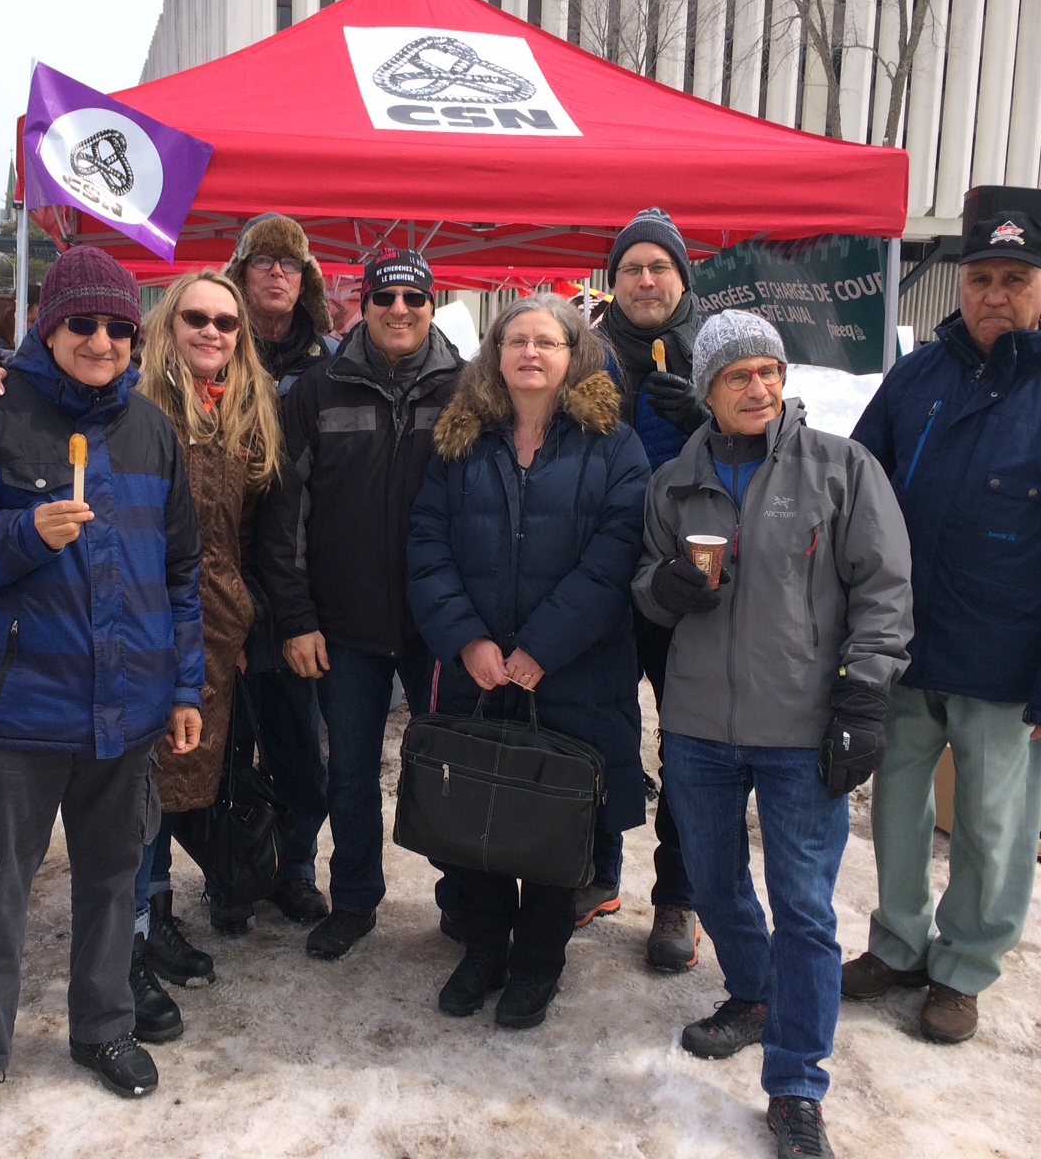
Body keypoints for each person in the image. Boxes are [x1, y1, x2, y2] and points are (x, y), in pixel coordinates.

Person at [0, 245, 205, 1129]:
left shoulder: (151, 428)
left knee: (114, 880)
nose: (102, 340)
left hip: (130, 711)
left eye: (118, 325)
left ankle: (101, 1027)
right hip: (18, 710)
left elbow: (181, 575)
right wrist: (23, 534)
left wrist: (184, 689)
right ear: (48, 324)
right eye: (83, 323)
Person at [844, 213, 1041, 1045]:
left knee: (990, 826)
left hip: (1009, 664)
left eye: (1015, 281)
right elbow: (858, 500)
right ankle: (900, 945)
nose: (995, 295)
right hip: (905, 652)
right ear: (961, 287)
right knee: (897, 810)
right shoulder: (918, 377)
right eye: (980, 279)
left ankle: (964, 968)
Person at [634, 309, 912, 1159]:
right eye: (738, 376)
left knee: (804, 909)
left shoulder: (843, 469)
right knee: (714, 885)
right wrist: (670, 588)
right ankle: (753, 994)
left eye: (770, 372)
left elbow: (884, 591)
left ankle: (796, 1083)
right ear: (710, 391)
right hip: (697, 727)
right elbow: (643, 587)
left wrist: (863, 700)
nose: (759, 388)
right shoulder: (674, 481)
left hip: (800, 728)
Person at [408, 293, 650, 1028]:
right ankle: (482, 949)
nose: (531, 354)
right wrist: (468, 641)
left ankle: (538, 963)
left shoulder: (613, 443)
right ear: (495, 354)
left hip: (573, 671)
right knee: (475, 811)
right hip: (479, 670)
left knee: (553, 821)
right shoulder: (462, 438)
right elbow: (427, 545)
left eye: (547, 341)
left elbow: (615, 558)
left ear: (573, 354)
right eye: (517, 341)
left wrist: (542, 648)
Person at [257, 247, 462, 959]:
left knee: (447, 769)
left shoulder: (469, 390)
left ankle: (462, 899)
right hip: (342, 627)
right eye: (385, 299)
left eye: (414, 299)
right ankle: (353, 899)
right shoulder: (319, 389)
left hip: (440, 626)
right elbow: (285, 516)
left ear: (432, 306)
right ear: (364, 306)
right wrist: (297, 619)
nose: (398, 311)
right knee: (348, 771)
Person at [125, 269, 285, 1031]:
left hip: (220, 629)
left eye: (227, 322)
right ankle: (139, 925)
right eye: (196, 317)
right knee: (142, 786)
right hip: (144, 627)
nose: (212, 332)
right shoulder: (135, 405)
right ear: (167, 324)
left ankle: (158, 913)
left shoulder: (250, 412)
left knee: (186, 778)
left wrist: (248, 619)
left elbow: (248, 535)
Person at [585, 207, 710, 972]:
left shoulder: (721, 350)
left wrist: (709, 421)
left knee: (690, 744)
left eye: (659, 266)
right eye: (631, 267)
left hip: (690, 582)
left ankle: (679, 898)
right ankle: (592, 872)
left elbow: (777, 450)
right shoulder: (584, 351)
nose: (645, 279)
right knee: (596, 728)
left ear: (681, 276)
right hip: (602, 573)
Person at [218, 213, 338, 932]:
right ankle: (232, 873)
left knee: (301, 747)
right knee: (223, 745)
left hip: (297, 583)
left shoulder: (329, 362)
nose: (275, 273)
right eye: (261, 261)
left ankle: (296, 869)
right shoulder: (210, 346)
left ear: (306, 281)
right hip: (220, 577)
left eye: (289, 264)